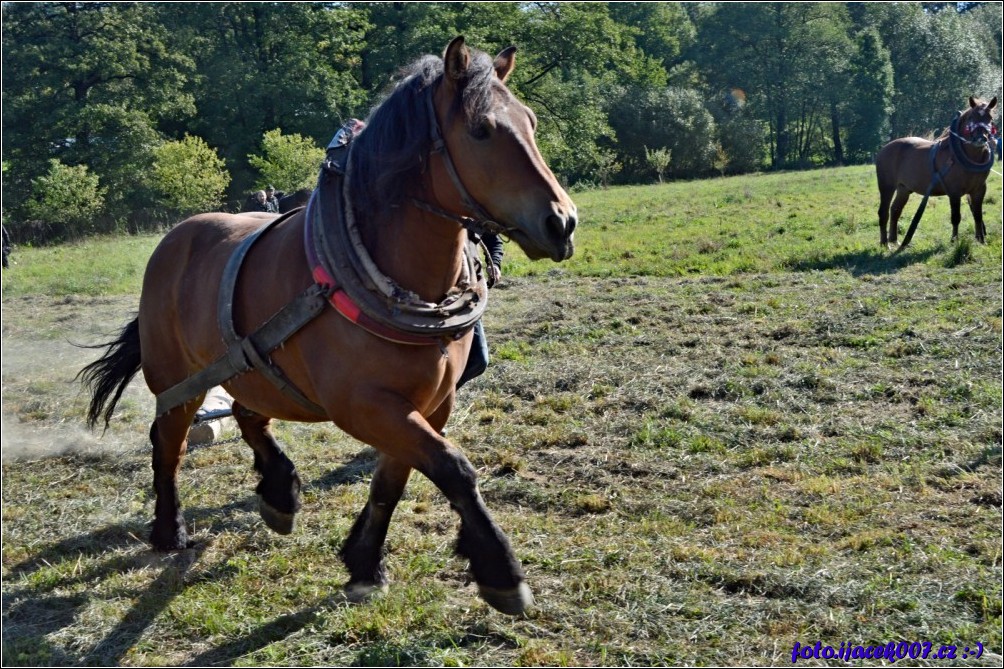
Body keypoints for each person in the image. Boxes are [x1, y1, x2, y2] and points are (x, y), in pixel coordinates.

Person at [456, 232, 503, 390]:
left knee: (478, 360)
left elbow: (493, 240)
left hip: (466, 293)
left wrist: (494, 264)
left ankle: (439, 398)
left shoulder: (474, 210)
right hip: (429, 294)